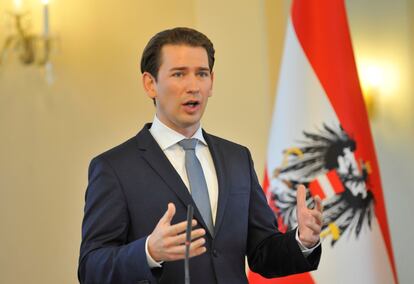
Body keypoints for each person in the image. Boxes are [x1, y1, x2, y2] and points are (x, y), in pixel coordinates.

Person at [78, 27, 322, 284]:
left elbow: (263, 252)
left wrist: (302, 240)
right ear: (150, 84)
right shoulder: (115, 167)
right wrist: (148, 251)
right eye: (179, 74)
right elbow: (91, 268)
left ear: (212, 82)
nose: (193, 86)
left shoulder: (237, 158)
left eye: (201, 74)